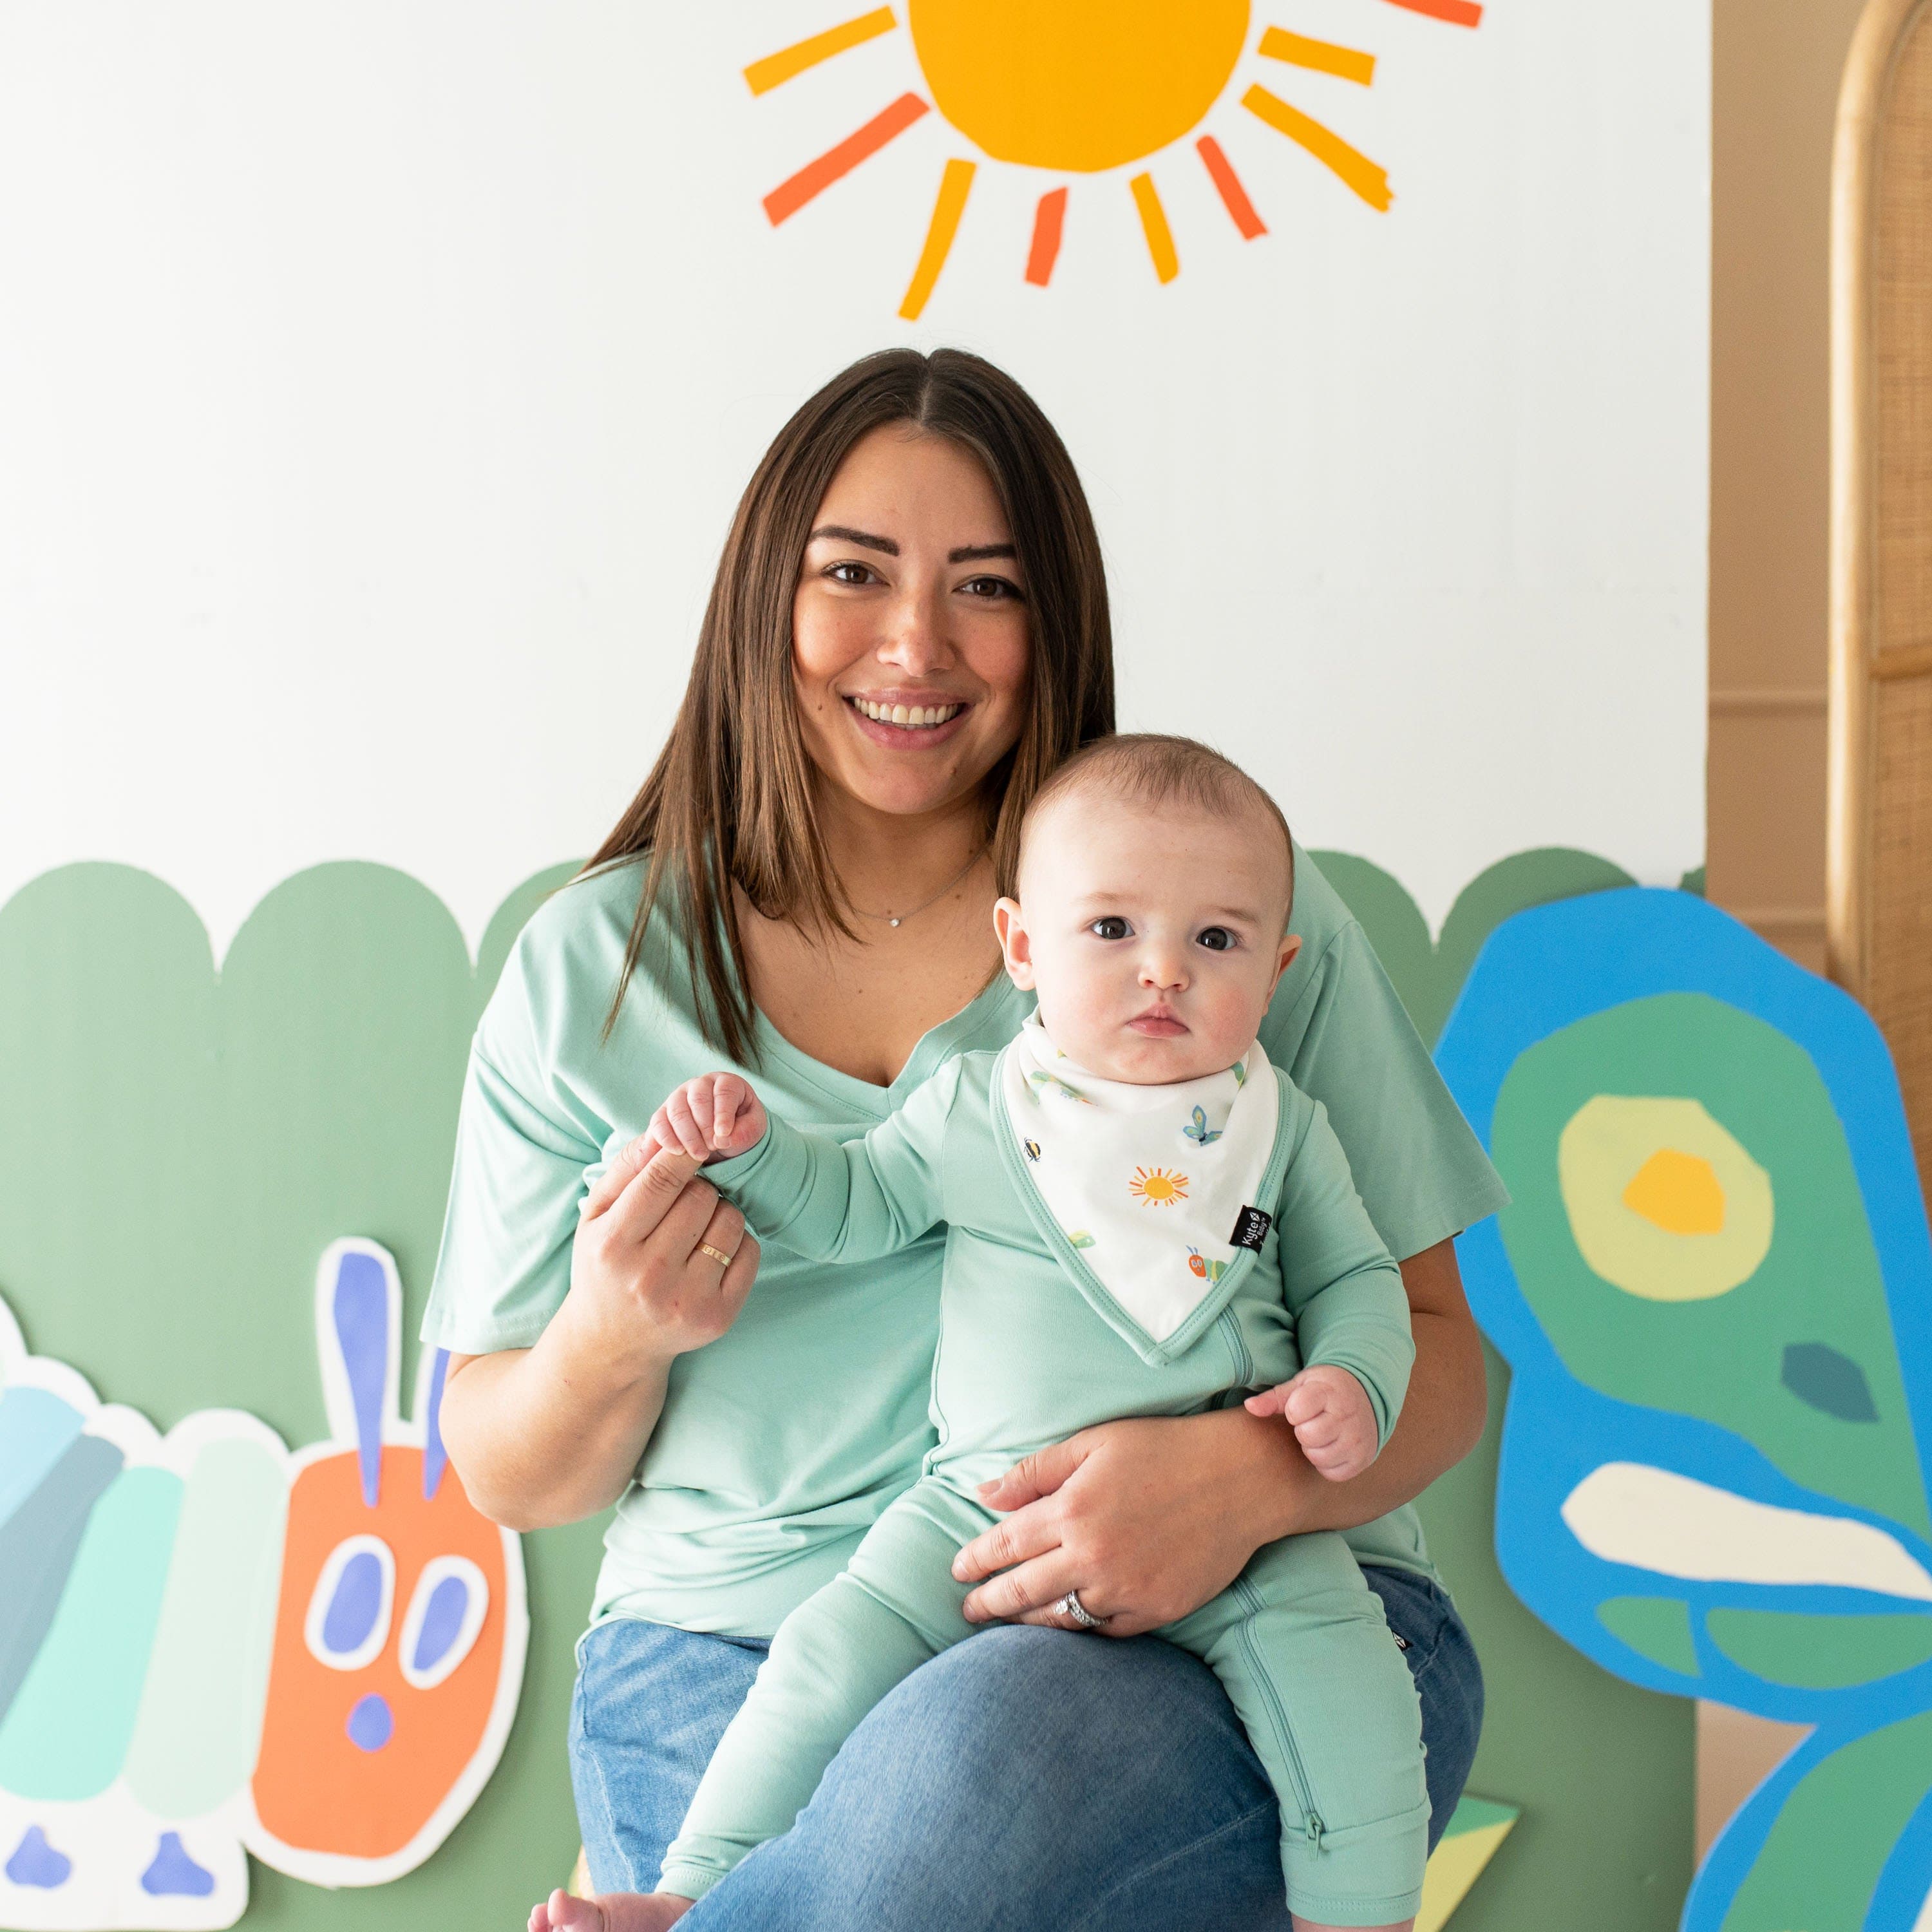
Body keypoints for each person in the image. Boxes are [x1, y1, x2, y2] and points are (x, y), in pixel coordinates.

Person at [425, 346, 1505, 1931]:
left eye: (985, 588)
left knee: (963, 1772)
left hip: (1221, 1619)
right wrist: (612, 1332)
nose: (915, 644)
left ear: (1052, 623)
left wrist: (1241, 1484)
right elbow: (509, 1474)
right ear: (759, 604)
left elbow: (1440, 1358)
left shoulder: (1213, 913)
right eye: (853, 574)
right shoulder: (594, 969)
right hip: (732, 1658)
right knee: (895, 1820)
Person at [555, 735, 1431, 1932]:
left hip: (1238, 1524)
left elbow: (1363, 1282)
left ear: (1275, 970)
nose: (1164, 971)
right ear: (1023, 947)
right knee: (827, 1660)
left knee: (1355, 1690)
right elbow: (856, 1206)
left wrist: (1353, 1381)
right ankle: (693, 1893)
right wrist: (758, 1154)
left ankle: (1358, 1912)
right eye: (1113, 931)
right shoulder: (980, 1110)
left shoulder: (1281, 1129)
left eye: (1214, 941)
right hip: (979, 1511)